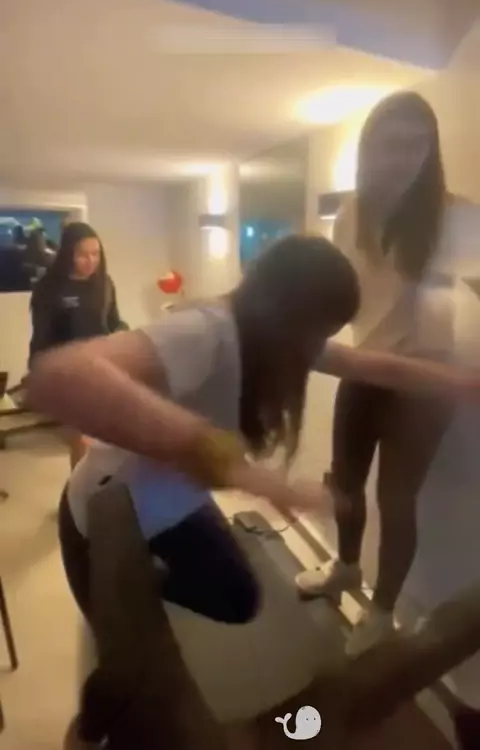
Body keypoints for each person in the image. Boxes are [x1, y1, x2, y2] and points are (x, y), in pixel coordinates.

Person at [28, 232, 480, 749]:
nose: (319, 345)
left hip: (171, 510)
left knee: (238, 598)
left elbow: (374, 365)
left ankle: (155, 585)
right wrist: (234, 467)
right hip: (103, 526)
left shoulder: (279, 338)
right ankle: (90, 727)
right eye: (320, 329)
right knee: (125, 681)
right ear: (292, 310)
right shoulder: (205, 331)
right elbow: (58, 376)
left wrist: (465, 382)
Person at [296, 91, 460, 656]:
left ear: (431, 151)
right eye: (391, 145)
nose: (403, 158)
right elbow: (344, 292)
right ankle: (345, 568)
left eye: (416, 145)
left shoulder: (457, 217)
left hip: (425, 385)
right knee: (344, 479)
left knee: (396, 498)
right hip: (366, 366)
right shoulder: (351, 214)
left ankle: (383, 612)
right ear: (369, 149)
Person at [29, 222, 126, 469]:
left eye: (95, 254)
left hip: (103, 369)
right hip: (69, 375)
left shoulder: (105, 284)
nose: (90, 261)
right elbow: (41, 338)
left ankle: (93, 488)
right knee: (83, 441)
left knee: (108, 443)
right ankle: (78, 490)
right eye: (83, 254)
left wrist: (124, 335)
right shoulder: (49, 289)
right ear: (68, 253)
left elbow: (113, 322)